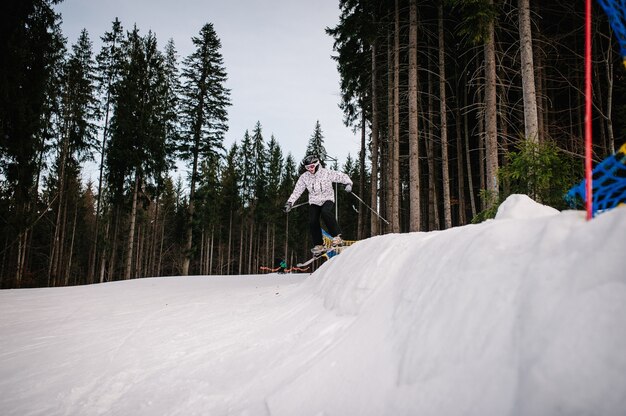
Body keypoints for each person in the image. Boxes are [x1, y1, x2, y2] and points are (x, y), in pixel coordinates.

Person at [284, 154, 353, 255]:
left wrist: (348, 184)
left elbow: (341, 176)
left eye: (311, 167)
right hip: (314, 201)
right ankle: (319, 244)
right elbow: (297, 191)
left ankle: (337, 237)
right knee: (312, 220)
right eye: (307, 168)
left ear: (317, 164)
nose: (310, 169)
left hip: (327, 198)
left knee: (326, 213)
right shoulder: (304, 177)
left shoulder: (326, 173)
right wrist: (289, 202)